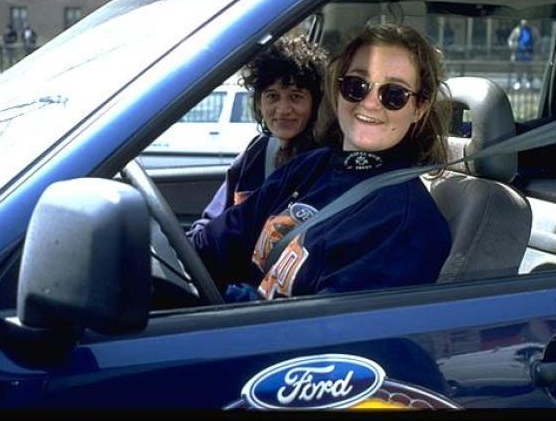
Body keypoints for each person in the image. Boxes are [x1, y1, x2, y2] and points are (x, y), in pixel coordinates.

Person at [188, 23, 452, 302]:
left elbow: (325, 332)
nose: (370, 104)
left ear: (418, 109)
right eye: (357, 86)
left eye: (394, 94)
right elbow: (214, 245)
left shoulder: (405, 224)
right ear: (338, 91)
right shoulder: (308, 168)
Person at [189, 35, 329, 235]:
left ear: (315, 103)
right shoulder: (257, 151)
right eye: (272, 96)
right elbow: (211, 220)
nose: (282, 109)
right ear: (259, 103)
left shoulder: (323, 163)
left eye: (296, 97)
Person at [507, 19, 535, 90]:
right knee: (519, 68)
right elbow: (510, 40)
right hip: (519, 53)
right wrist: (515, 46)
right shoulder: (517, 30)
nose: (525, 23)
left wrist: (535, 47)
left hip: (529, 53)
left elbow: (538, 40)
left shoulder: (533, 30)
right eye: (524, 21)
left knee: (529, 68)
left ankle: (529, 82)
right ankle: (518, 82)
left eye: (527, 21)